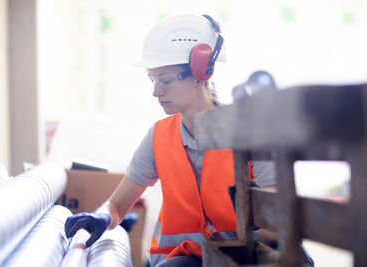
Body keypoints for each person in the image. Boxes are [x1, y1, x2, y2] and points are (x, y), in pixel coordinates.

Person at [64, 14, 276, 267]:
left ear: (201, 73)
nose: (156, 91)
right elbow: (118, 206)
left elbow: (275, 232)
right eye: (153, 80)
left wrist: (253, 220)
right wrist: (100, 217)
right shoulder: (159, 137)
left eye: (164, 80)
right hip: (183, 260)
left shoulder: (252, 135)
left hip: (247, 259)